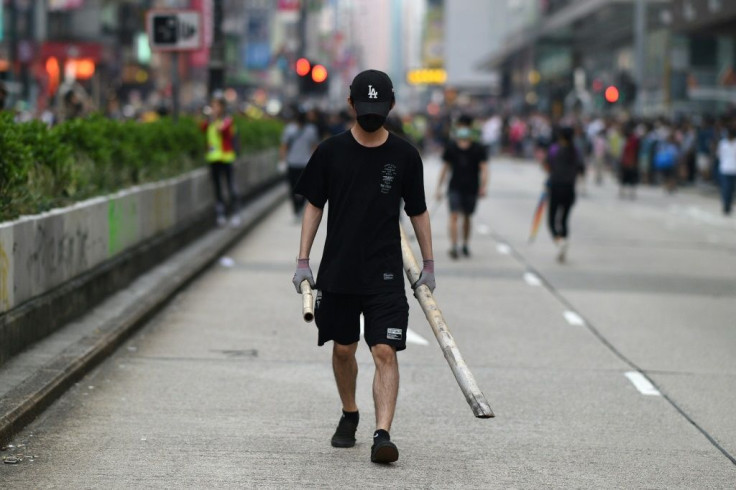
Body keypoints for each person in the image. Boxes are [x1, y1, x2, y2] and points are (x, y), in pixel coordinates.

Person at [291, 69, 434, 464]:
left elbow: (418, 211)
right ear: (351, 105)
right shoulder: (330, 152)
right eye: (364, 106)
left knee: (385, 350)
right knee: (342, 349)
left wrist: (430, 263)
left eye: (379, 107)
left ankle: (382, 433)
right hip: (339, 270)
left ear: (391, 106)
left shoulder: (405, 155)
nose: (372, 113)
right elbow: (314, 205)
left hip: (385, 271)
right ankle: (350, 412)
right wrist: (303, 260)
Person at [435, 114, 488, 259]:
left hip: (471, 187)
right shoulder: (451, 147)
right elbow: (445, 168)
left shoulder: (478, 148)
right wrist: (438, 188)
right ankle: (453, 246)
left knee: (467, 217)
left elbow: (484, 169)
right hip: (454, 187)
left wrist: (483, 187)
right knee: (453, 215)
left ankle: (465, 243)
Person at [545, 127, 584, 263]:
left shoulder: (555, 149)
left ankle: (559, 240)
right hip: (569, 189)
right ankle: (564, 240)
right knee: (564, 220)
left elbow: (547, 165)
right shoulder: (576, 151)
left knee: (551, 220)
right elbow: (581, 169)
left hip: (556, 187)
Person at [202, 97, 240, 227]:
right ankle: (220, 214)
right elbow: (202, 128)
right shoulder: (210, 121)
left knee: (230, 187)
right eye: (212, 106)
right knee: (217, 188)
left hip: (226, 157)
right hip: (213, 158)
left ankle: (235, 213)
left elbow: (223, 130)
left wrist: (213, 119)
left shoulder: (227, 120)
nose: (214, 109)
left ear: (222, 107)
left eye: (216, 106)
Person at [280, 109, 320, 221]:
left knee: (305, 189)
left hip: (305, 164)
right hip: (292, 163)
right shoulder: (289, 130)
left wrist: (316, 162)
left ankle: (301, 207)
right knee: (292, 188)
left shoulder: (311, 130)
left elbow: (314, 146)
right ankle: (296, 210)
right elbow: (284, 146)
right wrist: (282, 161)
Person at [717, 126, 736, 216]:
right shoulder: (723, 143)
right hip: (725, 168)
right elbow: (719, 155)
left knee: (731, 189)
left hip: (734, 169)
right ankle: (725, 205)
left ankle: (728, 205)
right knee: (725, 188)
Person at [618, 124, 640, 200]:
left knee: (631, 177)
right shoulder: (626, 139)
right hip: (625, 161)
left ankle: (631, 192)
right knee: (624, 177)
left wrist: (632, 161)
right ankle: (622, 191)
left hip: (631, 162)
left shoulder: (633, 140)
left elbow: (634, 152)